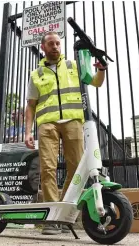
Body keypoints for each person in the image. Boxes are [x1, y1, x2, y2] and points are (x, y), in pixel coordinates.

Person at [24, 31, 107, 235]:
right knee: (48, 169)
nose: (55, 46)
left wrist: (102, 70)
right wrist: (28, 131)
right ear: (43, 47)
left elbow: (96, 82)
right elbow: (31, 105)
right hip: (47, 125)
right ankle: (52, 218)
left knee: (77, 168)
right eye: (50, 43)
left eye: (58, 43)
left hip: (73, 121)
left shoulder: (73, 65)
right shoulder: (36, 74)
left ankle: (64, 211)